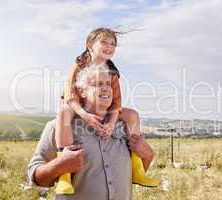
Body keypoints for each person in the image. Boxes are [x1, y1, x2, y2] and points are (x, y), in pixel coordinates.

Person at [27, 65, 155, 199]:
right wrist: (59, 165)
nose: (105, 88)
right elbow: (36, 177)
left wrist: (148, 156)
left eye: (108, 84)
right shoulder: (59, 126)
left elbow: (133, 177)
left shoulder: (126, 126)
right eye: (98, 84)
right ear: (82, 92)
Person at [56, 28, 157, 194]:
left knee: (132, 115)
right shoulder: (79, 66)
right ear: (90, 45)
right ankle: (65, 176)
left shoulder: (113, 73)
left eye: (113, 44)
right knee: (64, 112)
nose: (109, 47)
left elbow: (116, 103)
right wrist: (84, 115)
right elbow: (70, 96)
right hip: (79, 107)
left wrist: (110, 124)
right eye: (104, 42)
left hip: (106, 109)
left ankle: (137, 167)